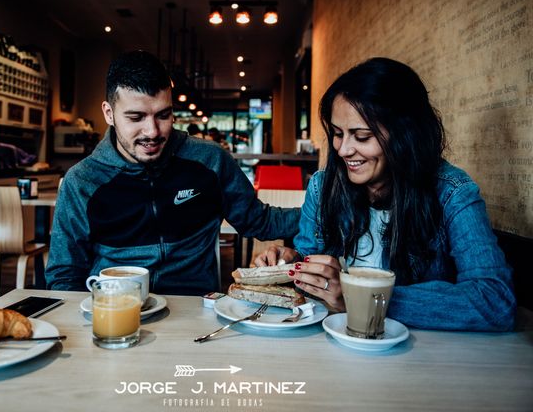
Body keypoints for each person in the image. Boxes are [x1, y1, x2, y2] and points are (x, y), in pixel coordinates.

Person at [255, 57, 516, 331]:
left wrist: (361, 297)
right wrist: (290, 264)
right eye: (337, 133)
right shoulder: (323, 186)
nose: (343, 150)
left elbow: (494, 301)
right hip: (334, 349)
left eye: (362, 136)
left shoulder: (452, 192)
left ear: (406, 135)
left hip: (424, 359)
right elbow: (311, 263)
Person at [46, 50, 300, 295]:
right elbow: (64, 275)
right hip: (118, 310)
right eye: (136, 118)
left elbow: (260, 221)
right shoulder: (82, 181)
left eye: (163, 115)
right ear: (109, 114)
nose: (153, 131)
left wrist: (327, 211)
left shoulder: (210, 160)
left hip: (194, 311)